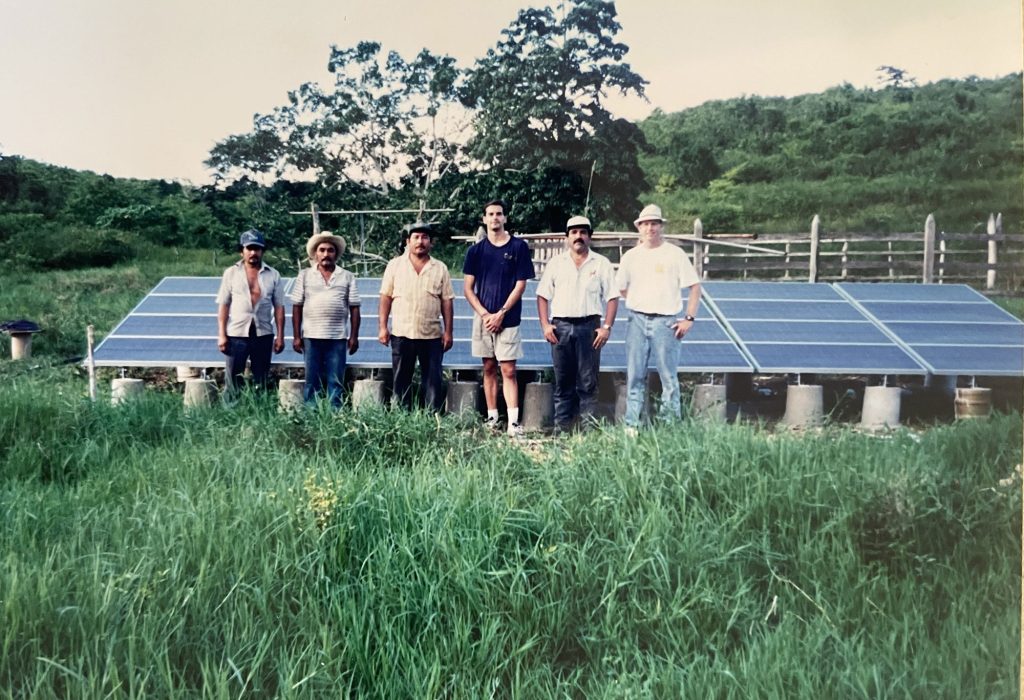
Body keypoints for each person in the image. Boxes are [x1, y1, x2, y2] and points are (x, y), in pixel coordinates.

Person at [615, 204, 701, 430]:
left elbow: (694, 287)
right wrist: (639, 301)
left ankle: (669, 425)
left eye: (654, 223)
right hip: (637, 321)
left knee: (668, 378)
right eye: (645, 224)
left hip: (666, 322)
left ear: (661, 226)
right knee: (634, 376)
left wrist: (688, 318)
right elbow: (621, 288)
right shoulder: (631, 257)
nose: (650, 228)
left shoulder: (675, 254)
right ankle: (632, 426)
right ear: (639, 228)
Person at [536, 215, 619, 432]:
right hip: (560, 328)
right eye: (574, 232)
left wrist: (606, 327)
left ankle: (588, 432)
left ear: (589, 237)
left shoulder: (601, 264)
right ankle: (561, 430)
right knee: (563, 382)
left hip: (589, 329)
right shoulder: (556, 264)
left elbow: (612, 297)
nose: (578, 236)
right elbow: (542, 296)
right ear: (567, 237)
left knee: (588, 383)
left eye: (583, 232)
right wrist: (545, 325)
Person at [462, 199, 534, 436]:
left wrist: (501, 313)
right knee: (489, 367)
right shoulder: (475, 251)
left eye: (499, 214)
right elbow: (468, 289)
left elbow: (521, 285)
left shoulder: (518, 248)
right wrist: (485, 315)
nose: (495, 218)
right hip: (483, 320)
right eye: (490, 214)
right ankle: (493, 417)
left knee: (509, 370)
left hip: (509, 320)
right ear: (484, 219)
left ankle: (513, 422)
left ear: (505, 218)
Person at [378, 222, 455, 412]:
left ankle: (432, 418)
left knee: (432, 381)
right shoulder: (395, 266)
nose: (420, 241)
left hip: (431, 335)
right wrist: (382, 327)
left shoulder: (440, 268)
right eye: (416, 237)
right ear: (408, 241)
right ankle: (401, 417)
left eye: (425, 237)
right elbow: (386, 297)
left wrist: (449, 332)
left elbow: (447, 301)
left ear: (431, 242)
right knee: (401, 379)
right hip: (402, 333)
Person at [290, 231, 361, 408]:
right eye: (322, 250)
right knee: (311, 381)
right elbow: (297, 306)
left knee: (335, 381)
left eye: (330, 250)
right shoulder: (304, 275)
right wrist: (297, 336)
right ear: (315, 254)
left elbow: (354, 308)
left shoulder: (347, 276)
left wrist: (354, 337)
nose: (326, 254)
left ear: (336, 254)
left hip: (337, 338)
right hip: (311, 337)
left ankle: (335, 418)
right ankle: (311, 418)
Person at [216, 229, 285, 395]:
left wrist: (280, 336)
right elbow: (224, 305)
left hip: (263, 334)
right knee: (233, 379)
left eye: (257, 249)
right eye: (249, 248)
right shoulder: (231, 273)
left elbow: (279, 308)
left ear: (262, 251)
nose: (253, 252)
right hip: (237, 334)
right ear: (242, 251)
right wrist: (222, 335)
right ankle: (231, 412)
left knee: (261, 378)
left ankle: (260, 411)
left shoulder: (273, 275)